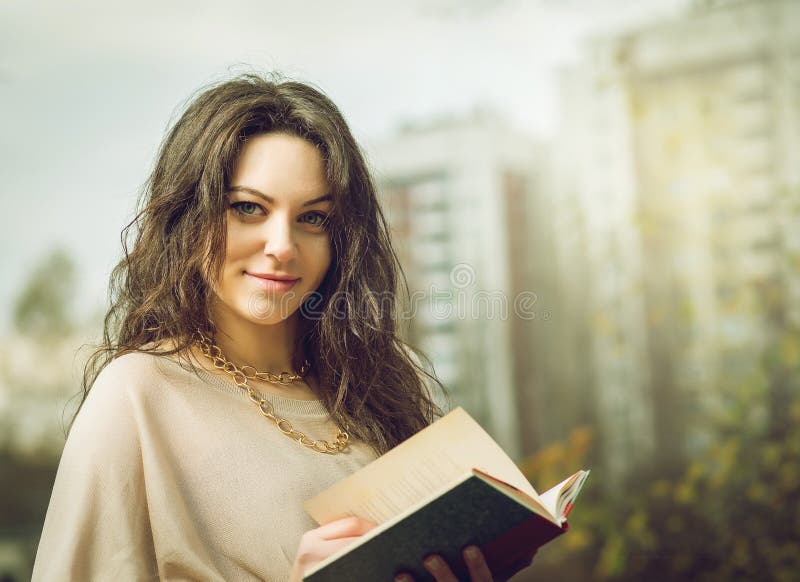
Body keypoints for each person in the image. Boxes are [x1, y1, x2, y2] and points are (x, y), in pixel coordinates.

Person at [32, 73, 535, 582]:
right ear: (188, 216)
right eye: (248, 208)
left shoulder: (381, 385)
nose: (282, 245)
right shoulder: (138, 395)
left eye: (313, 218)